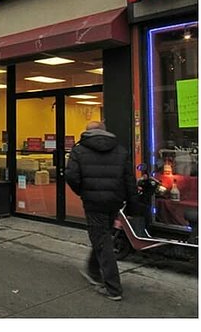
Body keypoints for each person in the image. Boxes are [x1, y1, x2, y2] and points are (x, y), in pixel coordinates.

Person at [65, 120, 137, 302]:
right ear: (104, 131)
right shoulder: (120, 150)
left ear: (86, 132)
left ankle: (113, 288)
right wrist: (131, 202)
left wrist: (83, 191)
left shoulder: (79, 150)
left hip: (93, 202)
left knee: (102, 239)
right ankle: (92, 271)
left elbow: (72, 176)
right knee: (102, 235)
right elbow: (129, 179)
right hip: (114, 201)